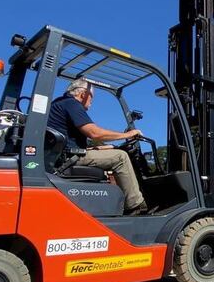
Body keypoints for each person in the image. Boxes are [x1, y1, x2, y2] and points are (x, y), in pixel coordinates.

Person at [47, 77, 148, 215]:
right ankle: (136, 205)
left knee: (115, 151)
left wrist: (107, 147)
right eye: (92, 98)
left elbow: (74, 142)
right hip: (68, 158)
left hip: (64, 155)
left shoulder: (59, 104)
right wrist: (129, 134)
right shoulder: (72, 104)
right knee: (121, 157)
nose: (91, 103)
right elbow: (95, 133)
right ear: (83, 94)